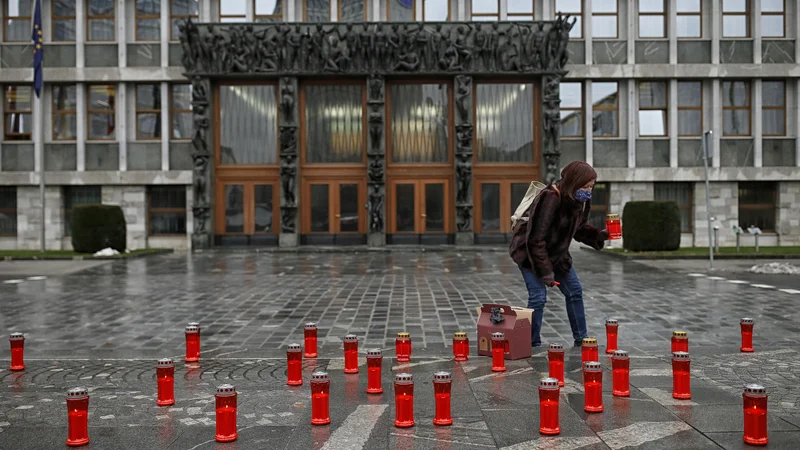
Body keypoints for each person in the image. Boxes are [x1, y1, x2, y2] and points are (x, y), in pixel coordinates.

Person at [517, 161, 608, 347]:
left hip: (557, 254)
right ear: (574, 182)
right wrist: (546, 273)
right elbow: (536, 240)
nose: (589, 191)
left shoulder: (579, 200)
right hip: (531, 254)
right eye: (585, 186)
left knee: (575, 291)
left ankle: (582, 339)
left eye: (591, 186)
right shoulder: (550, 198)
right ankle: (531, 343)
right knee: (538, 297)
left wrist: (599, 235)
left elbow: (579, 227)